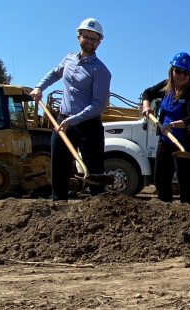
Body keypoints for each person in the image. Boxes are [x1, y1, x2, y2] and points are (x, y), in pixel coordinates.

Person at [29, 18, 111, 201]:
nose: (90, 41)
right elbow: (55, 72)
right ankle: (58, 203)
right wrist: (39, 87)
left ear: (100, 42)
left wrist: (73, 120)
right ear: (78, 36)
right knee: (59, 165)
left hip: (89, 126)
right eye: (86, 37)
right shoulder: (68, 59)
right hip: (63, 121)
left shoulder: (101, 71)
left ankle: (100, 210)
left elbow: (98, 105)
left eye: (94, 39)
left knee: (94, 171)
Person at [140, 52, 190, 204]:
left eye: (185, 73)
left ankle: (188, 212)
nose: (181, 75)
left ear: (189, 74)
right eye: (178, 71)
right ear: (172, 70)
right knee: (160, 179)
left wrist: (174, 125)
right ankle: (165, 209)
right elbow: (147, 93)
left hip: (185, 145)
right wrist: (146, 105)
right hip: (166, 141)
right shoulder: (165, 86)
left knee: (185, 182)